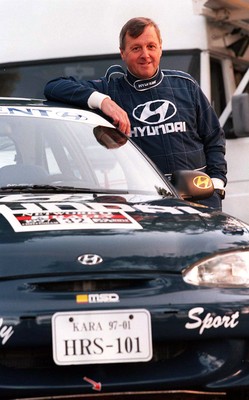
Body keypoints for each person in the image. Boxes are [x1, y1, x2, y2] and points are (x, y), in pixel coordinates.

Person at [44, 17, 227, 209]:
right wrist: (104, 101)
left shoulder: (185, 85)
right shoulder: (111, 90)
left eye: (151, 46)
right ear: (123, 53)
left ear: (160, 48)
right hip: (145, 205)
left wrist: (216, 185)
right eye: (136, 48)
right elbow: (53, 87)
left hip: (200, 202)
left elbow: (214, 138)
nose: (145, 54)